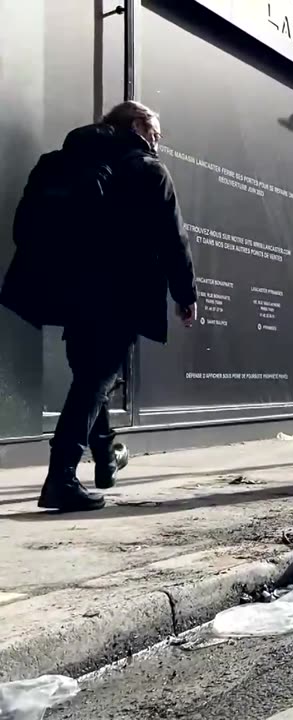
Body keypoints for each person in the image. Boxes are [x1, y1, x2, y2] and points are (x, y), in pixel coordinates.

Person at [38, 102, 198, 512]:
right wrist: (186, 294)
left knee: (91, 377)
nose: (158, 141)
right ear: (138, 125)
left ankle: (106, 460)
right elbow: (173, 239)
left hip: (71, 291)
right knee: (95, 380)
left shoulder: (73, 161)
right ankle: (60, 478)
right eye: (156, 132)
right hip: (119, 295)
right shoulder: (147, 169)